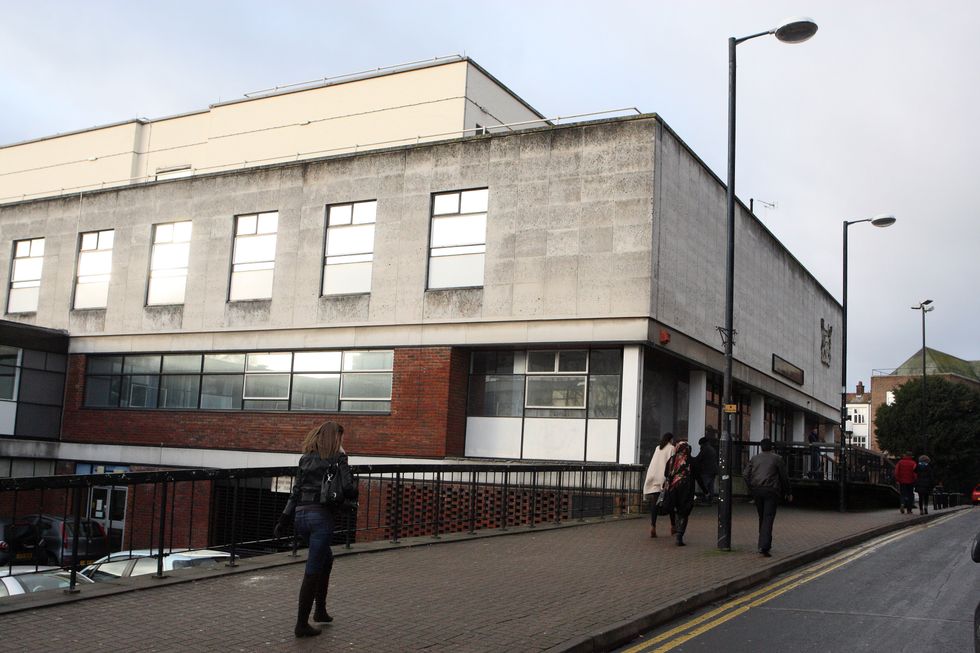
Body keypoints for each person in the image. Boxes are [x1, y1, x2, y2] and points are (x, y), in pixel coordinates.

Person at [275, 421, 358, 638]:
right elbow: (349, 488)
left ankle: (320, 611)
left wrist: (283, 518)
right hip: (321, 517)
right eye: (341, 438)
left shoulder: (305, 458)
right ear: (336, 439)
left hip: (301, 516)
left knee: (326, 559)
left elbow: (295, 491)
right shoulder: (338, 458)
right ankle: (302, 624)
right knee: (312, 571)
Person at [743, 438, 792, 557]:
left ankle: (762, 543)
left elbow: (745, 474)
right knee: (768, 518)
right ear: (771, 447)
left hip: (757, 491)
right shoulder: (777, 459)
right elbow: (784, 477)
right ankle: (764, 546)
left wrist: (751, 487)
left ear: (761, 447)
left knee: (762, 517)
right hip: (771, 491)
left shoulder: (755, 459)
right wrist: (788, 492)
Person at [662, 438, 696, 546]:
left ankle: (677, 530)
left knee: (677, 509)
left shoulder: (672, 459)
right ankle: (679, 536)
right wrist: (705, 491)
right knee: (684, 512)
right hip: (687, 489)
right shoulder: (691, 461)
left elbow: (666, 473)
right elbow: (697, 475)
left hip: (673, 488)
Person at [642, 432, 675, 538]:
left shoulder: (658, 448)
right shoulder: (671, 448)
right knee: (671, 503)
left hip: (654, 476)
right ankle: (673, 526)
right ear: (670, 439)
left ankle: (653, 526)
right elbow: (672, 464)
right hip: (664, 479)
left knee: (654, 504)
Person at [695, 435, 719, 504]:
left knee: (704, 485)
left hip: (706, 470)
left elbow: (699, 458)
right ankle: (710, 499)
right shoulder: (711, 449)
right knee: (711, 485)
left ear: (702, 443)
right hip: (713, 470)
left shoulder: (705, 449)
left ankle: (705, 499)